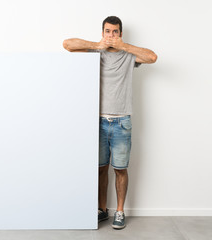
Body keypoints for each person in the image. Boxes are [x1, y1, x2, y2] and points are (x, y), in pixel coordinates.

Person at [63, 16, 157, 229]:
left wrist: (124, 46)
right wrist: (97, 45)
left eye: (115, 32)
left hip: (122, 121)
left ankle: (120, 211)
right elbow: (67, 45)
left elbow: (152, 57)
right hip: (97, 121)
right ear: (102, 32)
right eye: (108, 31)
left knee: (120, 169)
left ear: (120, 33)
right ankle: (102, 210)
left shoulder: (128, 55)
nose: (111, 35)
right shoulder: (96, 52)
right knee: (100, 168)